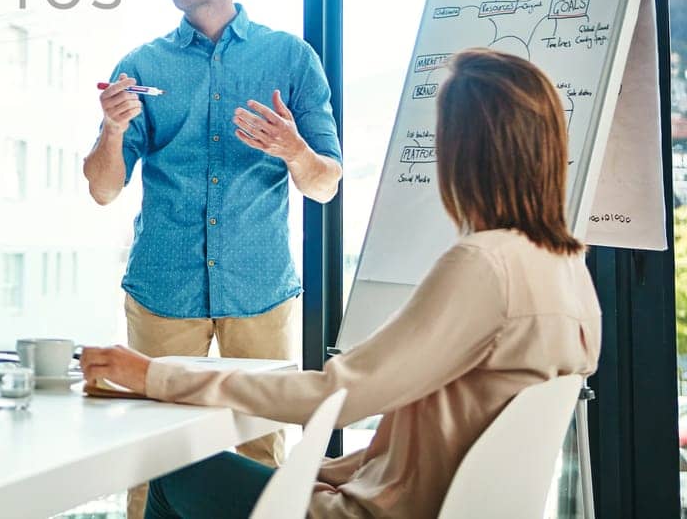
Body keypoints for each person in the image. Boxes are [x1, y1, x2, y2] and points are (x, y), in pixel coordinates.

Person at [80, 48, 602, 519]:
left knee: (171, 474)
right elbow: (423, 450)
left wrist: (156, 376)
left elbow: (337, 395)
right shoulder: (567, 270)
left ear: (466, 150)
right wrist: (320, 472)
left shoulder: (484, 266)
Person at [84, 0, 343, 472]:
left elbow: (325, 184)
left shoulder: (291, 59)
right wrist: (111, 129)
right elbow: (104, 190)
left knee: (262, 454)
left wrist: (295, 150)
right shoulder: (141, 66)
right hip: (163, 291)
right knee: (152, 458)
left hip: (260, 291)